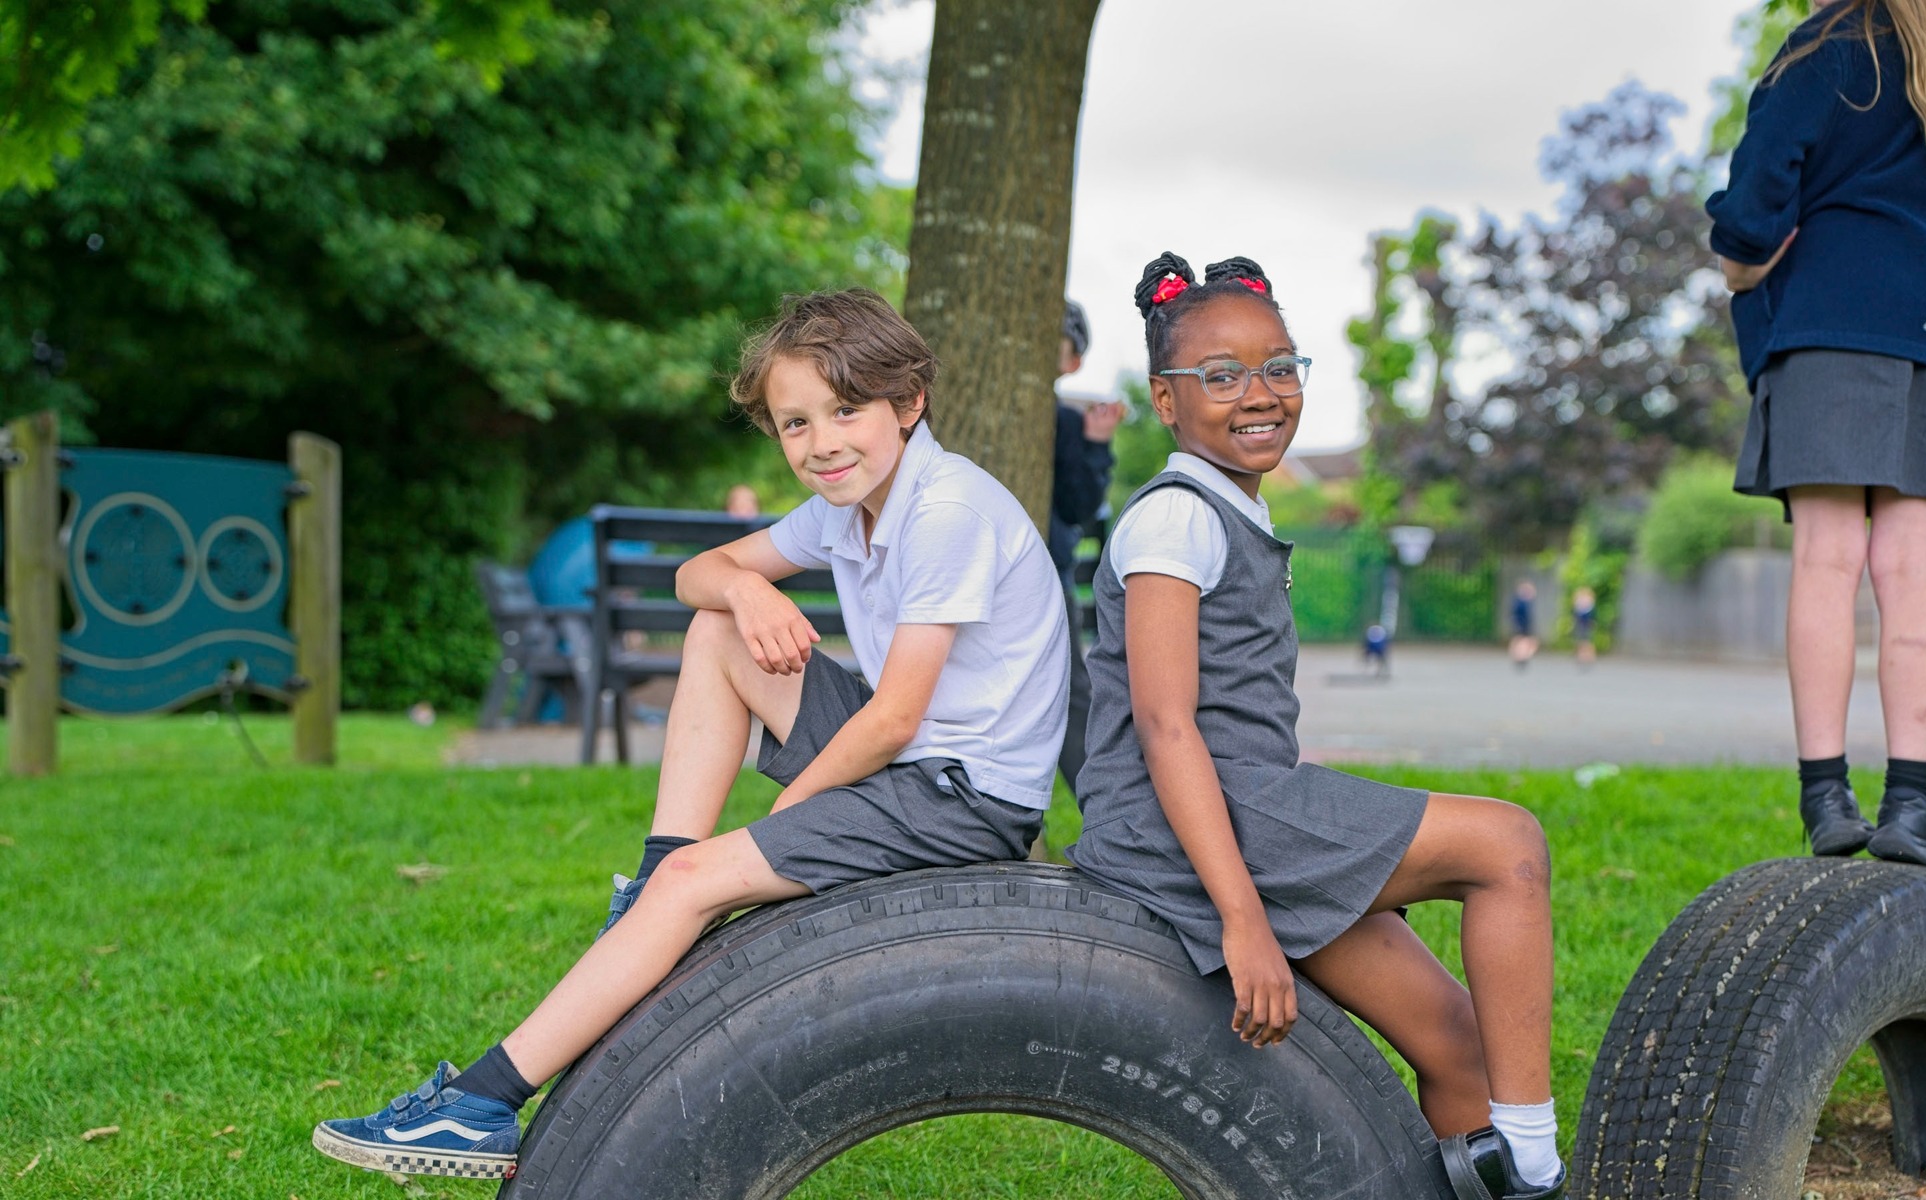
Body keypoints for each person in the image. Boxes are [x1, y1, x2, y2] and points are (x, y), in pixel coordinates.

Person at [312, 289, 1071, 1179]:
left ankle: (477, 1105)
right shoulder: (845, 503)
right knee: (715, 627)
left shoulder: (948, 510)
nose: (821, 442)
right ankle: (651, 880)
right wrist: (748, 588)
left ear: (909, 404)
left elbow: (897, 714)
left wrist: (792, 811)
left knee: (699, 881)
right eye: (795, 424)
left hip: (962, 794)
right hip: (909, 754)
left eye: (846, 410)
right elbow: (695, 576)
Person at [1065, 253, 1564, 1200]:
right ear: (1165, 402)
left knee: (1458, 1044)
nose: (1259, 395)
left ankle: (1502, 1146)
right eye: (1220, 376)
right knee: (1509, 844)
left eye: (1280, 367)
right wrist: (1244, 921)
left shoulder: (1225, 507)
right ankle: (1530, 1159)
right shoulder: (1174, 521)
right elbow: (1166, 729)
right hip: (1194, 826)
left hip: (1244, 807)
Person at [1708, 0, 1926, 872]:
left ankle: (1826, 796)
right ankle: (1912, 803)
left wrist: (1745, 260)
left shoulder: (1834, 47)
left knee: (1829, 560)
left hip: (1829, 328)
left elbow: (1756, 198)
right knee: (1912, 569)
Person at [1049, 298, 1126, 790]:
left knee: (1072, 685)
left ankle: (1093, 795)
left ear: (1071, 361)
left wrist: (1096, 444)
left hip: (1046, 565)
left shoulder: (1070, 423)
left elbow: (1080, 506)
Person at [1508, 580, 1539, 670]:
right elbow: (1520, 615)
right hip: (1522, 625)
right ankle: (1521, 657)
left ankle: (1520, 657)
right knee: (1524, 641)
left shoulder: (1521, 601)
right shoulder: (1521, 602)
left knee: (1521, 641)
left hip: (1522, 624)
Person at [1570, 586, 1597, 667]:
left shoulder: (1590, 608)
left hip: (1587, 626)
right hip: (1580, 626)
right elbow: (1575, 616)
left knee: (1587, 642)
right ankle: (1581, 657)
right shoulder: (1579, 607)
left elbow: (1593, 618)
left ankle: (1589, 657)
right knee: (1580, 642)